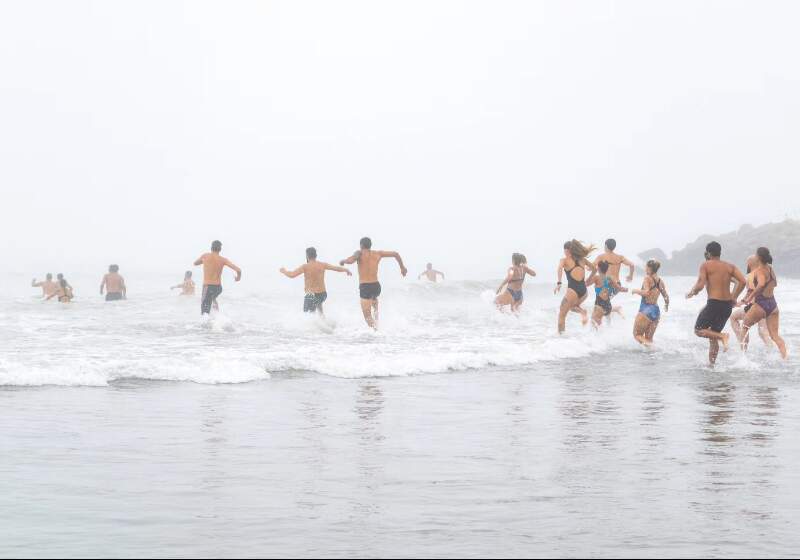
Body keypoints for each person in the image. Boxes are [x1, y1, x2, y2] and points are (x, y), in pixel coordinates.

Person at [686, 241, 746, 366]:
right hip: (726, 306)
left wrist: (692, 293)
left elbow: (700, 285)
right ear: (719, 252)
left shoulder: (706, 265)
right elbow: (742, 282)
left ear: (708, 253)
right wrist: (733, 297)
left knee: (698, 330)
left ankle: (723, 336)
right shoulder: (730, 266)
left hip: (714, 303)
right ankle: (712, 365)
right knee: (713, 337)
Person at [339, 237, 407, 329]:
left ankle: (377, 331)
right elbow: (395, 254)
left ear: (361, 245)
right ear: (370, 245)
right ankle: (378, 323)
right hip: (376, 286)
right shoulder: (378, 254)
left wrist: (343, 261)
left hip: (365, 287)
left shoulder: (359, 253)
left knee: (367, 318)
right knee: (374, 305)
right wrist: (402, 268)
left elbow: (351, 260)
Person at [738, 247, 787, 359]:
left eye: (755, 254)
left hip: (761, 304)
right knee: (775, 336)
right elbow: (775, 283)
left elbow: (760, 284)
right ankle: (785, 359)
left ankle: (743, 357)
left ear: (759, 257)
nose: (754, 256)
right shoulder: (770, 268)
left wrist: (749, 297)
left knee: (744, 326)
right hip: (773, 305)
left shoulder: (760, 271)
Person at [281, 247, 352, 315]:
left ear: (307, 256)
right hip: (323, 295)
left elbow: (292, 275)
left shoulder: (305, 266)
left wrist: (284, 271)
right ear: (316, 255)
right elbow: (336, 268)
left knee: (308, 315)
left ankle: (314, 326)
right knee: (319, 310)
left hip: (311, 295)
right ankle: (325, 324)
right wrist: (346, 270)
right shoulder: (323, 265)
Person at [731, 254, 772, 350]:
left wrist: (738, 302)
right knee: (763, 333)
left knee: (734, 318)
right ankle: (774, 353)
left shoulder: (751, 276)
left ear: (750, 264)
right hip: (768, 306)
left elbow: (749, 293)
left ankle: (743, 347)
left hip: (755, 307)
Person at [555, 240, 597, 334]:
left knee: (562, 315)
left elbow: (559, 269)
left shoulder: (564, 260)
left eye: (564, 250)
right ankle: (582, 312)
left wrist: (559, 283)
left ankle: (560, 338)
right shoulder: (583, 260)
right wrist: (588, 280)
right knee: (572, 307)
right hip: (584, 291)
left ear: (567, 250)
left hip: (572, 290)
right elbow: (594, 269)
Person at [193, 240, 242, 316]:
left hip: (208, 287)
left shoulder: (205, 256)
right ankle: (218, 318)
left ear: (211, 248)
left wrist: (204, 261)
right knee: (212, 299)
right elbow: (238, 270)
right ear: (220, 249)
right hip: (218, 288)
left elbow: (195, 263)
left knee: (204, 313)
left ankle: (207, 325)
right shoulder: (223, 260)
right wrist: (238, 278)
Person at [631, 259, 669, 345]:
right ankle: (650, 356)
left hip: (646, 309)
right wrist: (666, 305)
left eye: (645, 267)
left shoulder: (647, 278)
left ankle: (652, 347)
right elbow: (666, 296)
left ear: (649, 268)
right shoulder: (660, 281)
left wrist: (635, 291)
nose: (645, 268)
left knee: (637, 335)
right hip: (656, 311)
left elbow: (647, 292)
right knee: (649, 338)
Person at [586, 260, 627, 328]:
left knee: (593, 321)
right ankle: (609, 335)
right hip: (608, 306)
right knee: (608, 323)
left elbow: (586, 284)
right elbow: (620, 288)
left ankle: (598, 337)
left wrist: (591, 274)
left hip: (600, 304)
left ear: (598, 268)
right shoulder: (609, 278)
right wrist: (629, 290)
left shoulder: (596, 277)